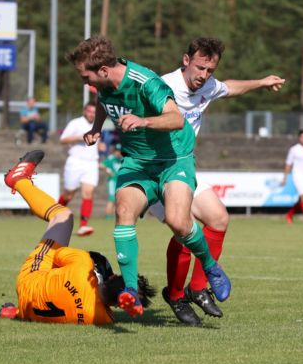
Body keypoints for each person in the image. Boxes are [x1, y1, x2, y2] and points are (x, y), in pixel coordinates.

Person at [67, 35, 231, 318]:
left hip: (173, 159)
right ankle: (130, 290)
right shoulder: (104, 84)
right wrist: (96, 127)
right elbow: (104, 100)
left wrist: (143, 121)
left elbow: (176, 118)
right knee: (123, 210)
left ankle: (209, 265)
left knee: (181, 224)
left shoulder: (147, 82)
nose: (85, 82)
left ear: (103, 70)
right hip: (137, 162)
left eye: (86, 76)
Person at [149, 37, 285, 325]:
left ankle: (197, 289)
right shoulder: (162, 86)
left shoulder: (207, 86)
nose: (204, 76)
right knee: (185, 231)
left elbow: (230, 87)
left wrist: (261, 82)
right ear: (186, 60)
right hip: (156, 172)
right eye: (200, 68)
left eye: (210, 70)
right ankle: (174, 295)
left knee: (219, 219)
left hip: (183, 169)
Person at [0, 150, 156, 324]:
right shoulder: (103, 319)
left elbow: (58, 255)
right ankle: (15, 311)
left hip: (30, 281)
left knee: (63, 217)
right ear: (118, 306)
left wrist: (93, 271)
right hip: (30, 309)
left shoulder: (83, 265)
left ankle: (18, 181)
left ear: (112, 277)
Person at [57, 101, 100, 236]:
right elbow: (63, 140)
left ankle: (83, 225)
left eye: (94, 112)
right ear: (84, 111)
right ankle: (55, 213)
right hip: (75, 161)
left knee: (88, 192)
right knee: (69, 193)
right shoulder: (75, 123)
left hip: (91, 163)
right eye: (89, 111)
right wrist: (80, 137)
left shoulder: (98, 124)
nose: (91, 114)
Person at [100, 142, 123, 220]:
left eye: (120, 150)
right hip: (112, 182)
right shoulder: (111, 158)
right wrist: (107, 170)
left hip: (120, 181)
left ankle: (113, 216)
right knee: (111, 198)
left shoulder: (123, 159)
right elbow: (101, 165)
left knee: (118, 199)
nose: (118, 152)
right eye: (117, 150)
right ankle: (108, 216)